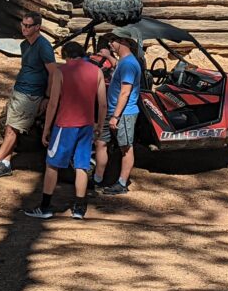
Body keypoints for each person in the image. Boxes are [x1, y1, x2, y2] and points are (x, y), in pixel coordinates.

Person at [24, 42, 105, 220]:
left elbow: (53, 103)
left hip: (65, 124)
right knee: (82, 165)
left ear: (66, 55)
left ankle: (45, 206)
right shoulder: (97, 71)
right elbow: (102, 103)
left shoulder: (62, 71)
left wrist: (47, 128)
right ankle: (79, 207)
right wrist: (99, 124)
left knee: (53, 164)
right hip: (87, 124)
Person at [0, 12, 57, 178]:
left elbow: (53, 73)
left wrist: (47, 97)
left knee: (14, 128)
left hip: (31, 94)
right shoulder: (24, 45)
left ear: (37, 27)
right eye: (23, 25)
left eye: (28, 26)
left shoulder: (44, 46)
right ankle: (5, 163)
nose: (24, 29)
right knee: (8, 126)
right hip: (19, 90)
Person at [92, 28, 142, 195]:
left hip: (123, 113)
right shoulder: (124, 61)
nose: (111, 44)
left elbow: (125, 92)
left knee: (125, 147)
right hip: (113, 110)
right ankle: (97, 179)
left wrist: (116, 116)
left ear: (124, 42)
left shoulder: (129, 64)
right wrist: (108, 56)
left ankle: (122, 183)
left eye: (114, 41)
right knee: (101, 142)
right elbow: (117, 66)